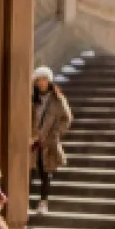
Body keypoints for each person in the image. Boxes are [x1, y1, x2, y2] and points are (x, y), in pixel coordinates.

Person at [30, 67, 73, 215]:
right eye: (39, 80)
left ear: (49, 81)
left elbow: (67, 118)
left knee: (45, 172)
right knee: (29, 172)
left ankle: (43, 202)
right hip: (33, 141)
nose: (42, 82)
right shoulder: (32, 98)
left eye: (45, 79)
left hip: (48, 142)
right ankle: (24, 203)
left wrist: (56, 133)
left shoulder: (57, 98)